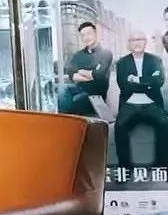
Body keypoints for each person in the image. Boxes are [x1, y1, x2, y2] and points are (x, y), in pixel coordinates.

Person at [114, 30, 168, 168]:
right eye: (133, 40)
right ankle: (125, 169)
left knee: (164, 124)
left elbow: (159, 81)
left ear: (145, 42)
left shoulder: (155, 60)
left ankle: (161, 167)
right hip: (129, 104)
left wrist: (136, 80)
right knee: (119, 126)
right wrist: (148, 83)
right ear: (129, 44)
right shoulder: (122, 63)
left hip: (152, 104)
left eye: (140, 39)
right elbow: (124, 86)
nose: (137, 42)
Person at [60, 22, 114, 117]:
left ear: (96, 34)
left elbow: (100, 75)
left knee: (73, 101)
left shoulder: (106, 53)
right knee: (61, 89)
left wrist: (81, 72)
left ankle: (67, 119)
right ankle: (65, 118)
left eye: (89, 34)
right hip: (79, 89)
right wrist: (91, 74)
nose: (86, 37)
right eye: (83, 35)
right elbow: (71, 73)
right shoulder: (78, 55)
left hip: (96, 95)